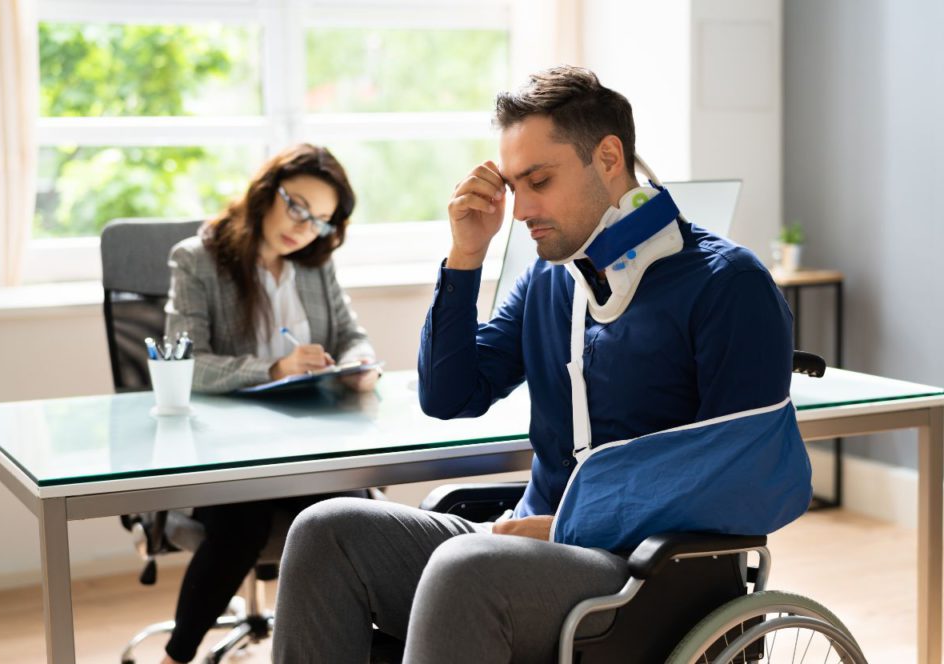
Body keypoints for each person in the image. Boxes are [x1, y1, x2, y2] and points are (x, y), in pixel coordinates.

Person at [271, 67, 810, 663]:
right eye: (512, 184)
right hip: (518, 550)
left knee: (465, 567)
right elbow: (450, 396)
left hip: (649, 577)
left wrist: (567, 529)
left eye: (539, 181)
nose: (521, 208)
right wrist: (466, 256)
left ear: (608, 157)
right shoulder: (549, 278)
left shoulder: (728, 285)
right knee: (325, 531)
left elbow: (741, 480)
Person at [159, 143, 379, 664]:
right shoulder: (197, 260)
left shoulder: (314, 266)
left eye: (320, 221)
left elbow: (350, 334)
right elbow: (184, 363)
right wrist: (273, 369)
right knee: (244, 518)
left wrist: (360, 364)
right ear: (267, 192)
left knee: (353, 517)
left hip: (308, 442)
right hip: (229, 451)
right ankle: (177, 656)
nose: (304, 228)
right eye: (298, 206)